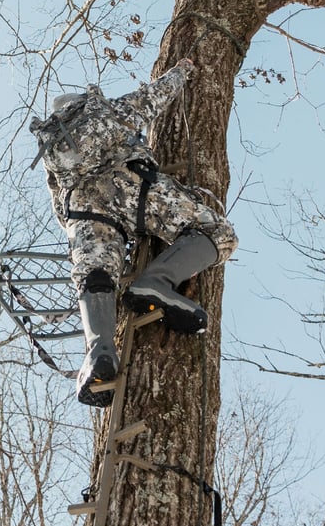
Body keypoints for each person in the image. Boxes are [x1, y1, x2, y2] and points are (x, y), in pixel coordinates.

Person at [29, 60, 238, 406]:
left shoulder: (53, 150)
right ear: (84, 103)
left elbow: (61, 213)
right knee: (219, 233)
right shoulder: (103, 112)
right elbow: (149, 101)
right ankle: (157, 281)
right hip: (131, 186)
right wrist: (182, 72)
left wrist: (93, 244)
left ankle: (99, 353)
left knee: (94, 277)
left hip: (83, 210)